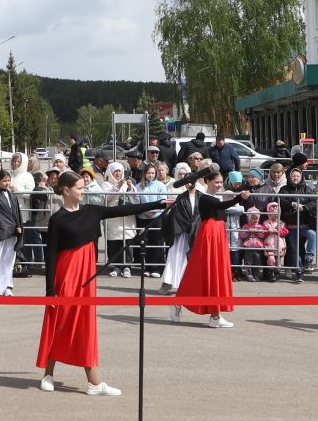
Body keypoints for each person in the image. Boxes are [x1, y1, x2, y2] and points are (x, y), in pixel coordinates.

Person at [39, 170, 168, 395]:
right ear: (66, 191)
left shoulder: (92, 211)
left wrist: (158, 203)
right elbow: (50, 256)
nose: (83, 191)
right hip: (67, 276)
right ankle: (49, 374)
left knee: (84, 325)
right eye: (79, 188)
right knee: (61, 321)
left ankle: (93, 382)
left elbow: (121, 209)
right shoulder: (57, 219)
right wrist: (51, 290)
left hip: (87, 278)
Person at [170, 168, 247, 329]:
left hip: (218, 233)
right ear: (208, 182)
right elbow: (223, 205)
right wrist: (240, 197)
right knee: (201, 272)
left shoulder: (215, 196)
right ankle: (180, 303)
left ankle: (215, 315)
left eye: (220, 182)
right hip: (209, 235)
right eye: (216, 182)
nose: (219, 185)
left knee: (217, 273)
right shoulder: (204, 197)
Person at [0, 168, 22, 296]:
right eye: (4, 181)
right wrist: (10, 226)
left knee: (8, 261)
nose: (6, 183)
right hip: (0, 233)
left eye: (8, 180)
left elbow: (16, 213)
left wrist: (18, 225)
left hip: (12, 233)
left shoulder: (12, 195)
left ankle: (7, 286)